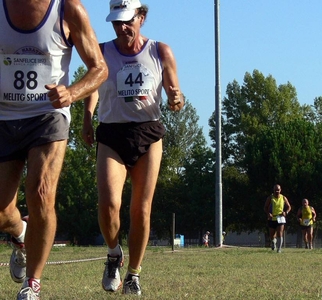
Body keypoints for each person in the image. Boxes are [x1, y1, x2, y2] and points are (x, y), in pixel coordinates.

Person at [0, 0, 108, 299]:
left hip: (48, 116)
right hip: (4, 116)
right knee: (2, 212)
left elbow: (99, 68)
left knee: (41, 192)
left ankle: (32, 283)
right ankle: (21, 235)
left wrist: (71, 92)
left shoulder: (68, 10)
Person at [82, 0, 184, 296]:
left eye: (127, 21)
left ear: (142, 17)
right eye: (116, 22)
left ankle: (133, 275)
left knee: (140, 209)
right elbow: (92, 86)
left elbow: (175, 95)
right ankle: (114, 254)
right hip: (112, 133)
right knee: (108, 204)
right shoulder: (102, 52)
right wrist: (87, 117)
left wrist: (177, 99)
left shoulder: (160, 51)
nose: (122, 27)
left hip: (148, 133)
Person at [264, 184, 291, 253]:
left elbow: (289, 207)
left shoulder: (283, 198)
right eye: (275, 190)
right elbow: (265, 207)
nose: (277, 191)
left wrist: (286, 212)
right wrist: (268, 213)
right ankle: (273, 242)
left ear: (280, 190)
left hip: (280, 217)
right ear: (273, 190)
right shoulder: (270, 198)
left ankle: (279, 249)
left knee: (280, 233)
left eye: (278, 190)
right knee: (272, 235)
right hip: (272, 218)